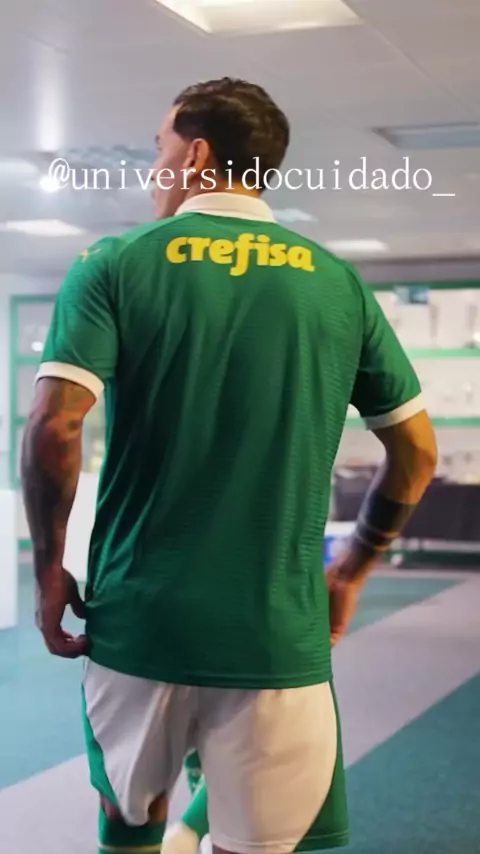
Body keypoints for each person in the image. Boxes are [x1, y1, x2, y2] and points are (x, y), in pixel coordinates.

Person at [21, 77, 437, 854]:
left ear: (197, 155)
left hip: (138, 624)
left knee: (129, 819)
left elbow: (54, 425)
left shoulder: (113, 263)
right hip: (275, 634)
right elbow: (416, 453)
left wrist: (48, 571)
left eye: (158, 149)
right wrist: (350, 570)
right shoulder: (338, 283)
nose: (154, 169)